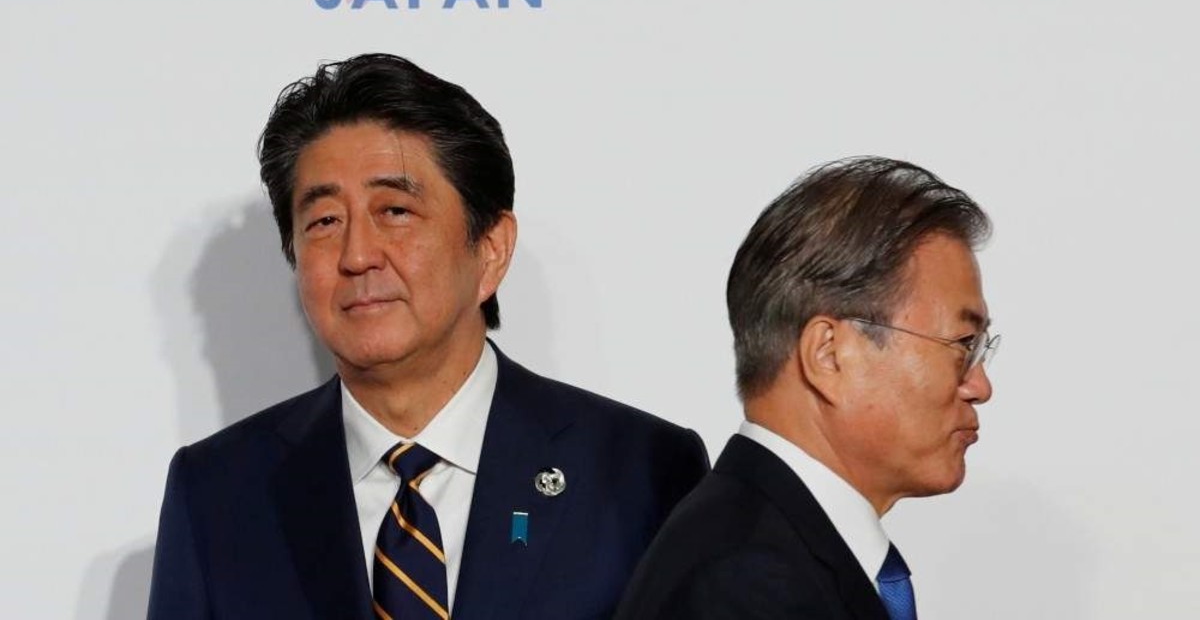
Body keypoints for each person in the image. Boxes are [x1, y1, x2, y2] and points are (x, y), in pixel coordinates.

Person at [147, 53, 709, 620]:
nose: (357, 255)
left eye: (394, 210)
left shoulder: (643, 471)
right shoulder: (218, 493)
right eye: (324, 221)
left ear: (490, 249)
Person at [614, 157, 998, 619]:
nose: (980, 386)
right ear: (829, 354)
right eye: (963, 344)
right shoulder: (749, 584)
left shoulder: (763, 548)